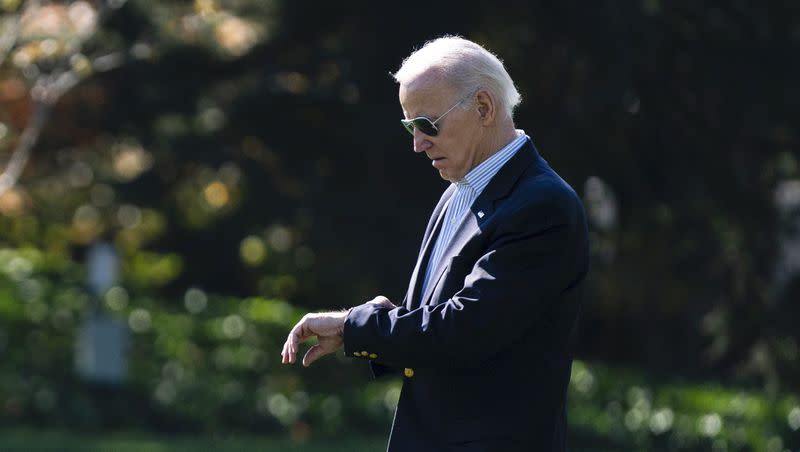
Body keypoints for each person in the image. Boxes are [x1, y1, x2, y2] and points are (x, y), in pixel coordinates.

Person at [281, 35, 589, 451]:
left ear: (483, 107)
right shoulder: (458, 190)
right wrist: (370, 324)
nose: (417, 143)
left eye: (427, 125)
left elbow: (464, 331)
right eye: (410, 126)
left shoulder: (543, 205)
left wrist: (356, 326)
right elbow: (432, 322)